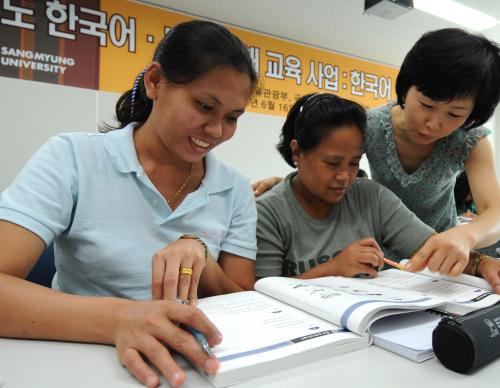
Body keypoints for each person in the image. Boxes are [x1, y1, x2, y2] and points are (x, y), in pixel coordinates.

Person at [0, 20, 258, 387]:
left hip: (194, 366)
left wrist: (200, 253)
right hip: (73, 360)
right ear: (155, 81)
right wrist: (121, 318)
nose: (216, 131)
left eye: (232, 118)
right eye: (204, 106)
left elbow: (245, 304)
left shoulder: (235, 189)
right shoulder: (72, 158)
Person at [253, 28, 500, 276]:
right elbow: (331, 156)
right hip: (383, 250)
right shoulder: (369, 126)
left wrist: (466, 237)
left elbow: (495, 211)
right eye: (426, 105)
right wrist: (291, 183)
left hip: (441, 246)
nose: (434, 123)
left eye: (455, 114)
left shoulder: (468, 140)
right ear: (405, 88)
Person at [255, 93, 500, 293]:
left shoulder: (371, 197)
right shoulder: (268, 212)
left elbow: (430, 248)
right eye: (332, 163)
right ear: (297, 152)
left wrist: (481, 263)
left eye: (353, 163)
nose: (344, 177)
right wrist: (333, 268)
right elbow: (260, 293)